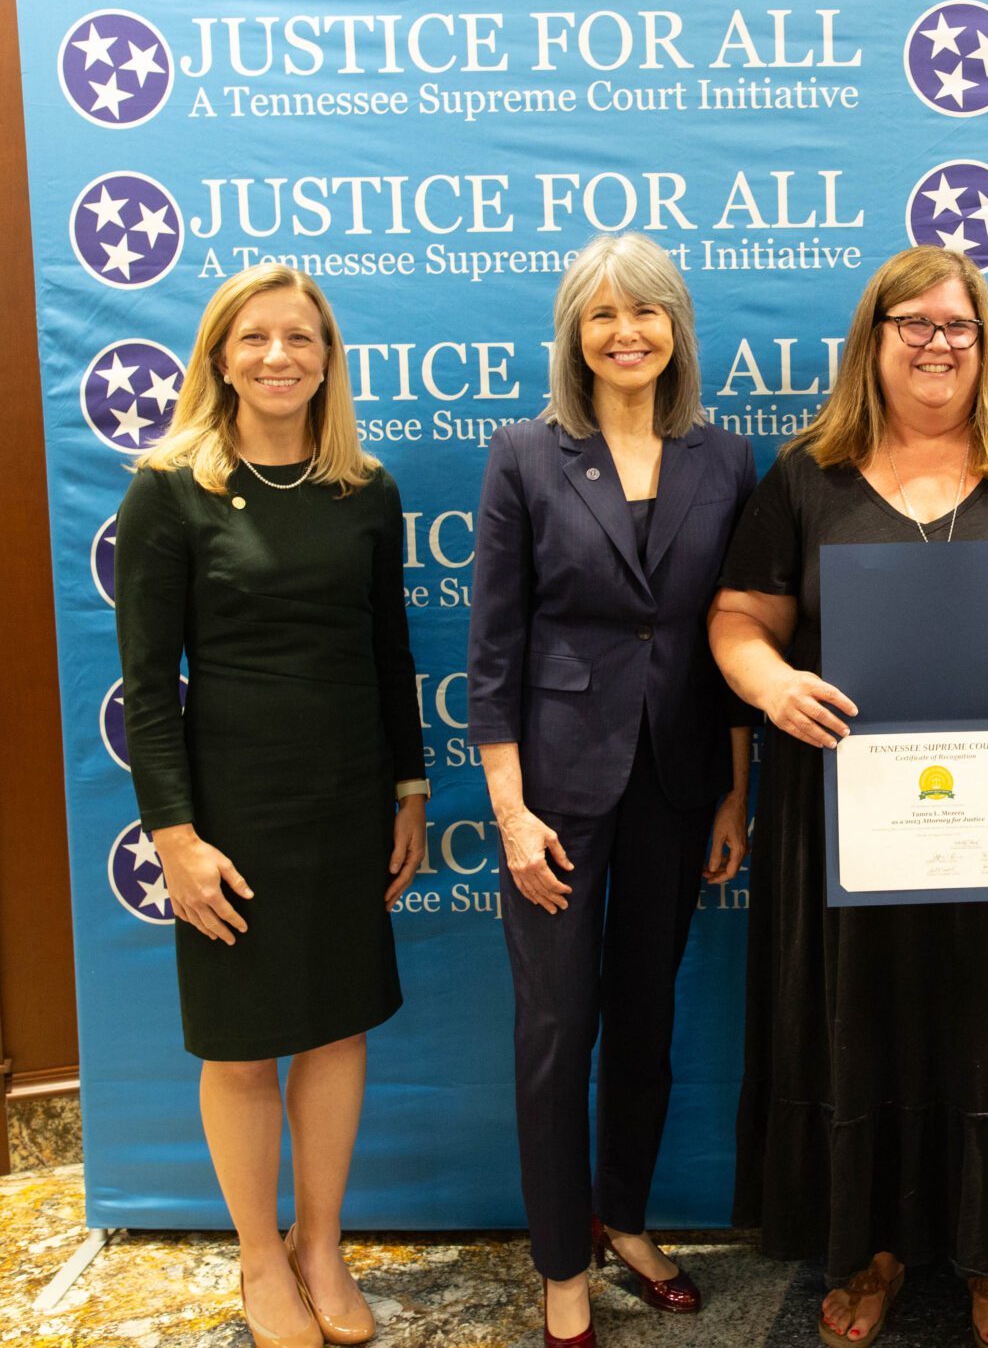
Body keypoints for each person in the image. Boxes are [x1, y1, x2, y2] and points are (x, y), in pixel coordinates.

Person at [709, 245, 988, 1348]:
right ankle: (873, 1250)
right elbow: (739, 619)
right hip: (847, 814)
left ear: (985, 342)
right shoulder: (807, 474)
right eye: (915, 324)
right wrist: (772, 683)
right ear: (874, 339)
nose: (938, 344)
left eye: (958, 325)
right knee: (864, 1024)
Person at [115, 265, 427, 1348]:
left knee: (336, 1028)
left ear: (328, 358)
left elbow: (390, 653)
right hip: (231, 814)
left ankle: (319, 1243)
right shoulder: (170, 488)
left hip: (347, 799)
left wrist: (409, 788)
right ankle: (259, 1255)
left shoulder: (365, 489)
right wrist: (176, 836)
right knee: (243, 1044)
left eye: (300, 337)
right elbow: (146, 686)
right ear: (221, 355)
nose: (279, 356)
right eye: (255, 337)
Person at [468, 234, 756, 1348]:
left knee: (646, 1015)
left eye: (645, 312)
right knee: (556, 1030)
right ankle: (561, 1266)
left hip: (678, 785)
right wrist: (510, 812)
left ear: (676, 328)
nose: (625, 332)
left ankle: (624, 1219)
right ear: (574, 335)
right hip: (554, 794)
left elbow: (736, 634)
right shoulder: (524, 453)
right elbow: (493, 649)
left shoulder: (723, 458)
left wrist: (732, 795)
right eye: (601, 314)